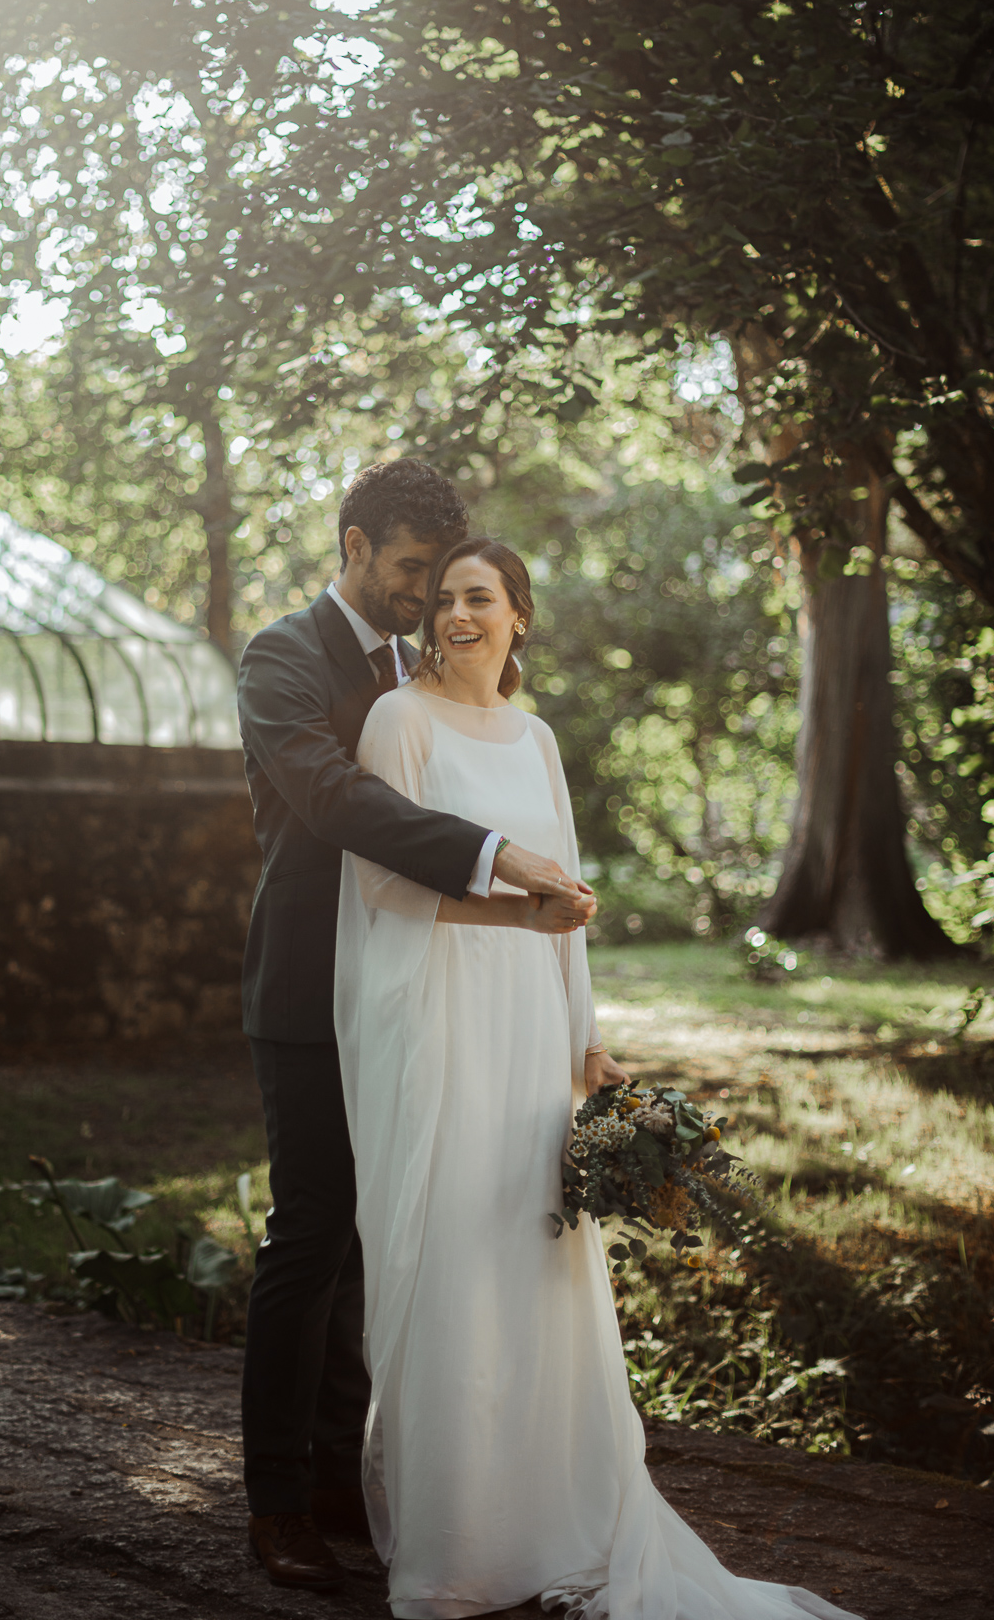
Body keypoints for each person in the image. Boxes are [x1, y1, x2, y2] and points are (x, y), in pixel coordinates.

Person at [334, 536, 863, 1620]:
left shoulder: (535, 739)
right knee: (451, 1255)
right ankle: (456, 1550)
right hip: (438, 1018)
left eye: (478, 598)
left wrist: (585, 1039)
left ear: (521, 613)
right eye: (442, 602)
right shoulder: (399, 722)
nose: (455, 618)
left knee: (529, 1251)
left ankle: (543, 1519)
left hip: (530, 1025)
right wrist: (515, 914)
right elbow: (384, 888)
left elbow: (568, 910)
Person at [235, 463, 596, 1593]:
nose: (426, 599)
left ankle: (351, 1477)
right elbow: (337, 800)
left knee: (378, 1233)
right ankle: (279, 1500)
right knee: (311, 1235)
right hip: (309, 992)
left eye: (439, 580)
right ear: (353, 545)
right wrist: (497, 861)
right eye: (406, 573)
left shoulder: (423, 672)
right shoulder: (282, 657)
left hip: (418, 992)